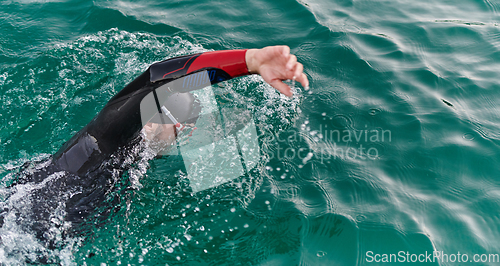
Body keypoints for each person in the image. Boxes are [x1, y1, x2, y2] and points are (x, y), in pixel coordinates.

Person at [6, 45, 309, 247]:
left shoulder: (135, 157)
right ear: (174, 124)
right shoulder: (109, 136)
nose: (180, 139)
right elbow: (163, 78)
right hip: (22, 221)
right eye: (181, 131)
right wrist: (250, 61)